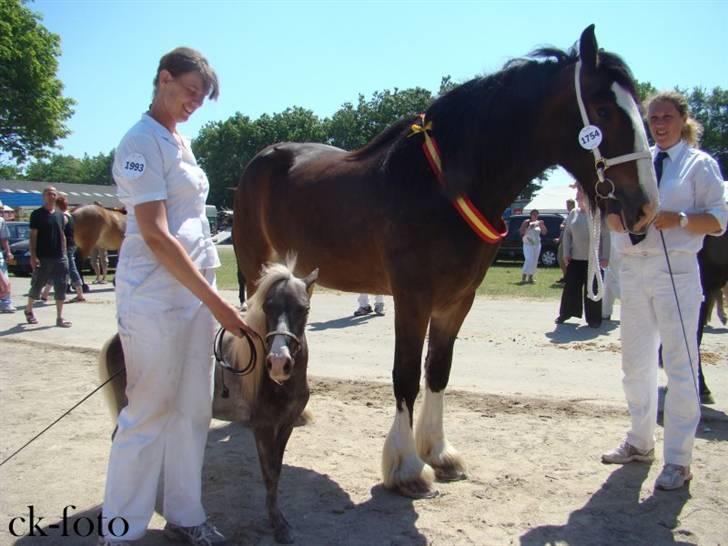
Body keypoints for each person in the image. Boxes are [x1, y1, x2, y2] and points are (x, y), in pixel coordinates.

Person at [99, 47, 251, 546]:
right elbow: (158, 235)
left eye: (202, 97)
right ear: (163, 78)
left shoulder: (178, 141)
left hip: (192, 293)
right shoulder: (140, 141)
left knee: (192, 410)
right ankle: (122, 530)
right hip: (154, 296)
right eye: (190, 91)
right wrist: (218, 304)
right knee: (147, 412)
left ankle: (187, 514)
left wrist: (209, 297)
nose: (196, 102)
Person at [602, 91, 727, 491]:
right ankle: (640, 441)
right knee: (634, 364)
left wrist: (682, 219)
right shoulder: (638, 161)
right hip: (634, 269)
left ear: (682, 119)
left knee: (680, 365)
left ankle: (678, 458)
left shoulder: (699, 164)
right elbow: (616, 201)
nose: (658, 123)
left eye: (666, 116)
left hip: (676, 269)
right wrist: (612, 219)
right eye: (653, 117)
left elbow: (720, 220)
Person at [555, 187, 609, 328]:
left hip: (594, 260)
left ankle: (594, 318)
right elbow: (567, 234)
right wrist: (566, 253)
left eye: (580, 197)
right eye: (577, 197)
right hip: (575, 258)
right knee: (571, 287)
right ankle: (566, 313)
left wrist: (605, 256)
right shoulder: (573, 213)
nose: (578, 199)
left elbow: (605, 236)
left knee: (593, 289)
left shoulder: (598, 214)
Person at [24, 186, 71, 327]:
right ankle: (29, 310)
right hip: (43, 257)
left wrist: (64, 252)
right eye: (49, 194)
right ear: (44, 196)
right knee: (38, 285)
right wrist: (33, 256)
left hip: (60, 257)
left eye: (54, 194)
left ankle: (59, 317)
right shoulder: (37, 214)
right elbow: (33, 236)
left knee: (61, 286)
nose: (52, 196)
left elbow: (62, 234)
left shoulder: (60, 215)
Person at [41, 195, 86, 303]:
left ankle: (80, 293)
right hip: (70, 244)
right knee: (57, 268)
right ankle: (45, 293)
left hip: (65, 246)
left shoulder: (62, 216)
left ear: (57, 205)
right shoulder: (68, 215)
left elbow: (59, 233)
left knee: (70, 268)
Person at [519, 209, 547, 283]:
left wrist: (542, 225)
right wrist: (529, 228)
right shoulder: (527, 222)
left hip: (536, 244)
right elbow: (521, 232)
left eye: (536, 214)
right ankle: (524, 277)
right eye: (533, 214)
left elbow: (544, 232)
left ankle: (530, 277)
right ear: (530, 215)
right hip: (527, 244)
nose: (535, 215)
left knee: (534, 261)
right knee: (529, 259)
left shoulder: (539, 222)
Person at [556, 198, 576, 284]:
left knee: (566, 260)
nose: (567, 206)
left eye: (569, 205)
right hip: (563, 240)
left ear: (573, 205)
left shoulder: (575, 214)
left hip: (570, 241)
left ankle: (569, 278)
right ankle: (565, 276)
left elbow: (572, 227)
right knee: (560, 259)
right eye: (567, 205)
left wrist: (565, 226)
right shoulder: (568, 215)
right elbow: (563, 226)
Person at [0, 202, 15, 313]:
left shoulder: (1, 221)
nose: (1, 212)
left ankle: (6, 303)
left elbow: (4, 239)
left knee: (5, 281)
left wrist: (8, 253)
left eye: (2, 210)